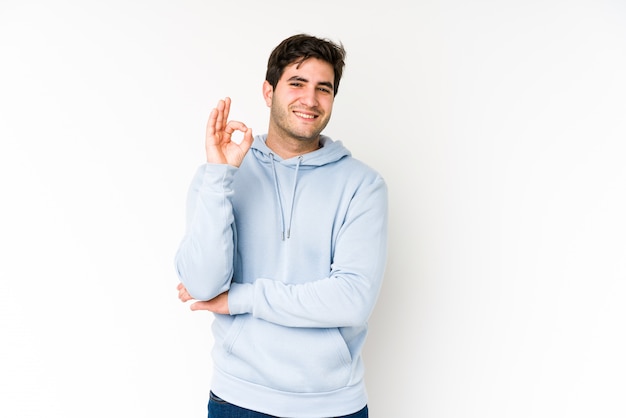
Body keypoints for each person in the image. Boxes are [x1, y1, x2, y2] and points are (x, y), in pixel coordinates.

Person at [174, 33, 388, 418]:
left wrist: (242, 299)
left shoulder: (363, 185)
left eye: (324, 89)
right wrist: (220, 174)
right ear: (268, 91)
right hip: (239, 399)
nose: (310, 100)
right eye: (297, 83)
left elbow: (352, 299)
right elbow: (204, 285)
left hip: (334, 405)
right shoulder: (220, 175)